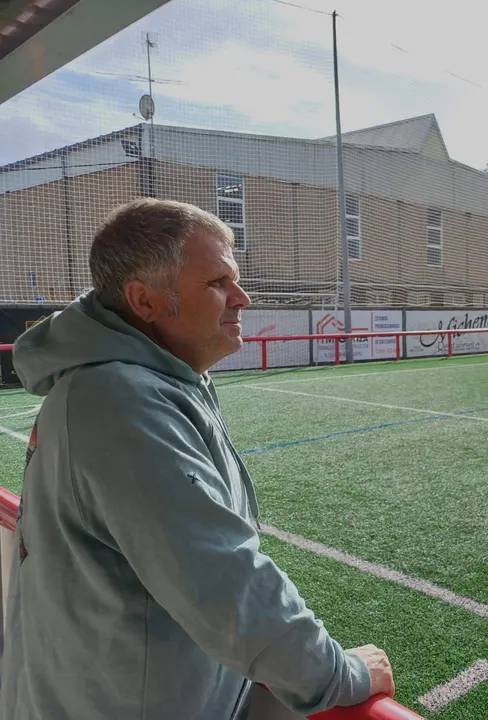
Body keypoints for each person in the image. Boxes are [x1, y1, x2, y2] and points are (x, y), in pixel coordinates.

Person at [2, 198, 394, 719]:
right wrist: (338, 674)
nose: (242, 297)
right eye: (217, 283)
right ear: (145, 301)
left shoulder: (134, 381)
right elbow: (223, 581)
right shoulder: (119, 400)